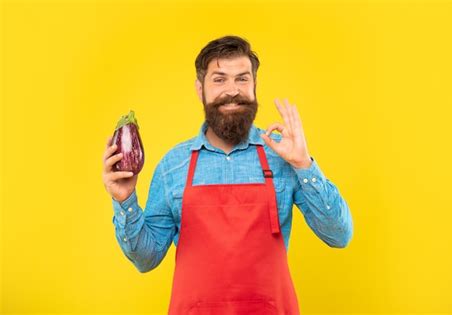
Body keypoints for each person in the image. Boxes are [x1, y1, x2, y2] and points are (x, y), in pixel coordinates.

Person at [102, 35, 353, 315]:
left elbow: (339, 235)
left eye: (242, 79)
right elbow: (146, 258)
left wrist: (304, 165)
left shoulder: (282, 156)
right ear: (201, 89)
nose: (232, 91)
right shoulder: (174, 165)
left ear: (254, 86)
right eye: (219, 79)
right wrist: (125, 201)